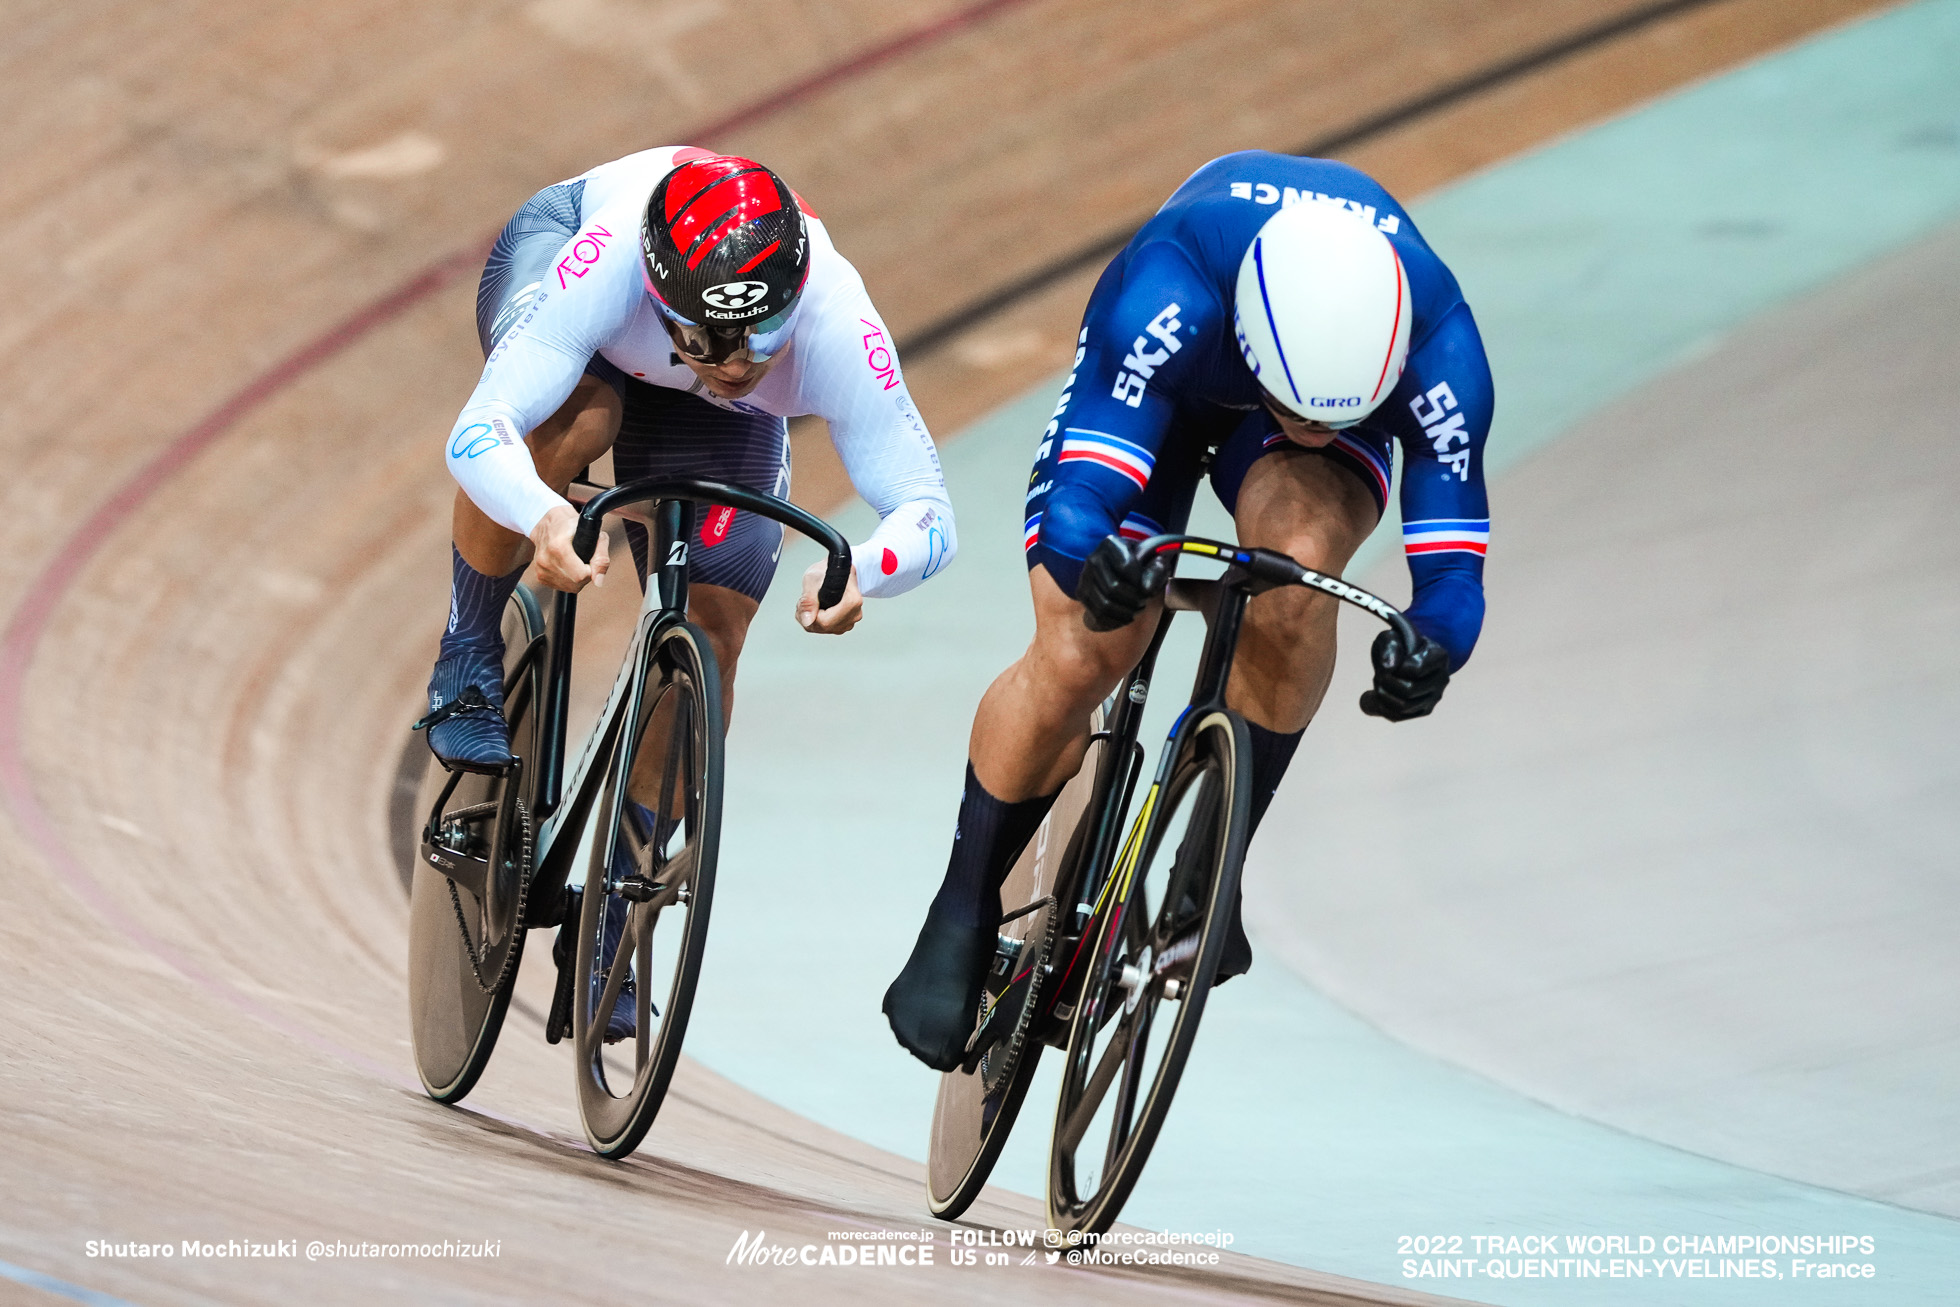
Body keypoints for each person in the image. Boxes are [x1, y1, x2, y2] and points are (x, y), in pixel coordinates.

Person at [882, 151, 1492, 1070]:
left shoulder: (1440, 346)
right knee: (1087, 644)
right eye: (1301, 410)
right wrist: (1102, 565)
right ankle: (961, 906)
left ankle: (1216, 854)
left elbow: (1453, 572)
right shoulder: (1168, 294)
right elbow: (1084, 504)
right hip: (1177, 381)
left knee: (1298, 580)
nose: (1315, 434)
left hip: (1296, 371)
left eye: (1342, 417)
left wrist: (1435, 644)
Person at [416, 147, 956, 1037]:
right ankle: (468, 653)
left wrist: (865, 567)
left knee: (712, 625)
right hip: (581, 305)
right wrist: (544, 516)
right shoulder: (609, 262)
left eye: (754, 340)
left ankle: (616, 907)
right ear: (664, 296)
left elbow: (928, 513)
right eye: (706, 339)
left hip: (702, 411)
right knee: (572, 424)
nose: (734, 363)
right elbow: (480, 433)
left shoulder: (836, 319)